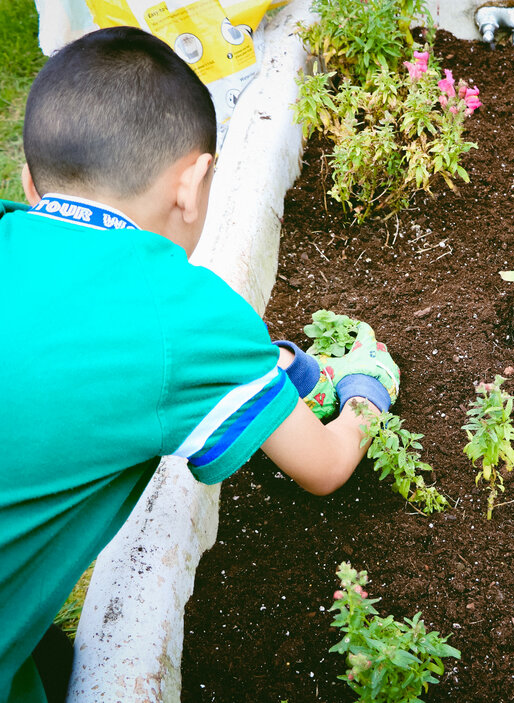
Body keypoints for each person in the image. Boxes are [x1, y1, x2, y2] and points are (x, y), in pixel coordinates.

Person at [0, 26, 398, 703]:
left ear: (29, 180)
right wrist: (364, 392)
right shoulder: (184, 314)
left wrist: (264, 369)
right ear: (194, 181)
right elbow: (325, 466)